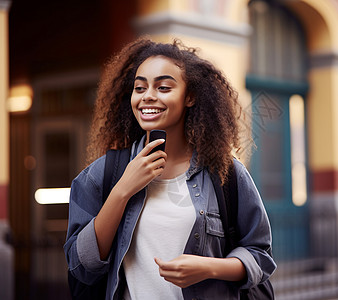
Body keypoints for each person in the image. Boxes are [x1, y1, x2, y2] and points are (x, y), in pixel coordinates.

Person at [64, 36, 276, 299]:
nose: (148, 97)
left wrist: (210, 268)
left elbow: (260, 255)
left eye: (163, 87)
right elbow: (81, 267)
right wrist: (122, 191)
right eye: (139, 88)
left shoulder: (225, 173)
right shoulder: (101, 175)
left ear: (189, 97)